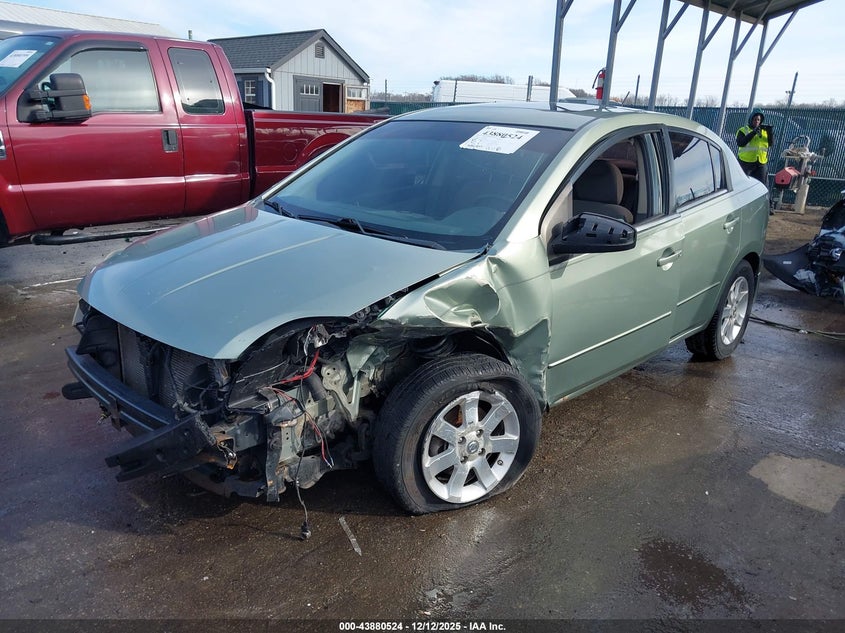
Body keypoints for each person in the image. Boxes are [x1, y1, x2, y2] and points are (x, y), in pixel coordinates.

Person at [736, 110, 774, 213]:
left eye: (758, 120)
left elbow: (770, 143)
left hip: (760, 162)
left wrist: (770, 132)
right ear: (751, 119)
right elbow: (741, 143)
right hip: (745, 162)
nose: (757, 121)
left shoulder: (764, 132)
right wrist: (754, 132)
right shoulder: (743, 130)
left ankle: (768, 207)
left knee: (764, 185)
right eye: (755, 119)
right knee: (742, 185)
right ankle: (740, 206)